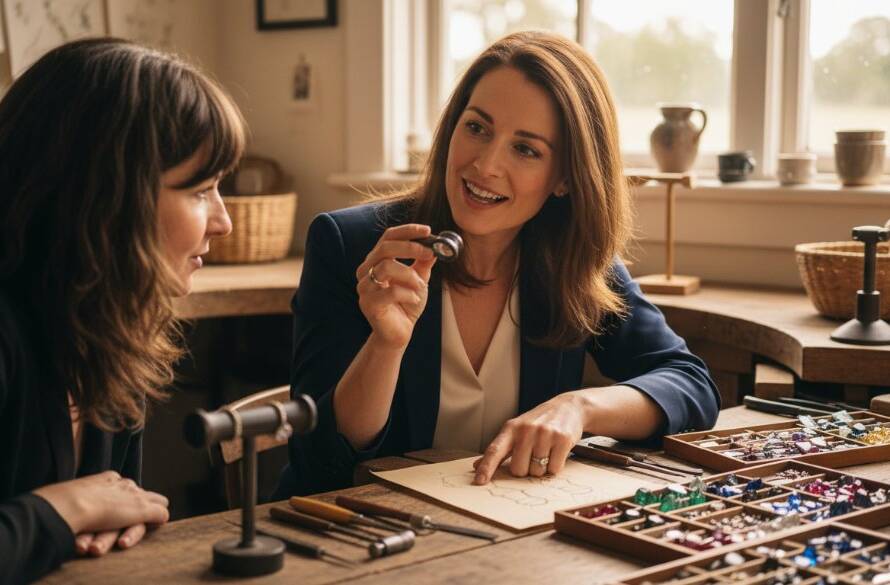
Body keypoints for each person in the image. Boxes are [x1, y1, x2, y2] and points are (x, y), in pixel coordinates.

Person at [277, 31, 719, 497]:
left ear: (565, 179)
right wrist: (386, 346)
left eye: (525, 149)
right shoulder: (349, 244)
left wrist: (579, 407)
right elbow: (320, 460)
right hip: (359, 532)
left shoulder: (573, 263)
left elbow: (690, 383)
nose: (485, 165)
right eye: (477, 128)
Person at [0, 38, 245, 584]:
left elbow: (118, 516)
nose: (224, 222)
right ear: (109, 198)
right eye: (202, 190)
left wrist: (114, 513)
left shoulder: (112, 324)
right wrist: (66, 511)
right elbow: (81, 512)